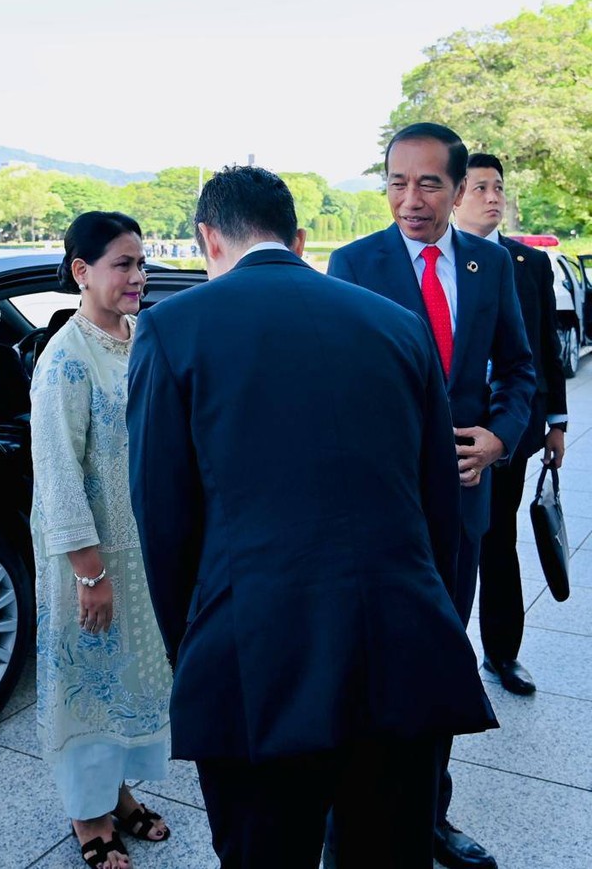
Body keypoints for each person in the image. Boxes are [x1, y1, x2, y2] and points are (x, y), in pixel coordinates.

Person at [127, 165, 498, 869]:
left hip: (256, 655)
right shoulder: (396, 325)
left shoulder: (173, 328)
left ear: (208, 237)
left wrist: (196, 649)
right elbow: (438, 508)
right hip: (403, 647)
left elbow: (164, 521)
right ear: (297, 237)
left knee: (267, 852)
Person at [328, 124, 536, 869]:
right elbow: (331, 389)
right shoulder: (352, 264)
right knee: (362, 665)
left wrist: (500, 438)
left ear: (457, 188)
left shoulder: (490, 265)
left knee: (441, 663)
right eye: (395, 182)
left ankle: (429, 814)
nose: (408, 200)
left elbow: (520, 369)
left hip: (460, 510)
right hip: (372, 513)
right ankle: (345, 818)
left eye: (426, 184)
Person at [30, 212, 171, 869]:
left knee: (128, 680)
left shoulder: (142, 337)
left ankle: (115, 792)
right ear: (83, 272)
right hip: (90, 559)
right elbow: (58, 474)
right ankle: (89, 817)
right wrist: (90, 572)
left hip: (141, 553)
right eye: (123, 263)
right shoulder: (66, 357)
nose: (138, 276)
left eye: (142, 263)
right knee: (87, 685)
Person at [454, 153, 567, 695]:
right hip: (450, 432)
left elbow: (545, 348)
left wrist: (557, 422)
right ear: (456, 196)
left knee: (499, 539)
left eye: (498, 187)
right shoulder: (437, 262)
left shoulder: (528, 264)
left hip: (512, 428)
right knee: (446, 543)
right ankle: (441, 652)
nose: (493, 197)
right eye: (480, 187)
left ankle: (502, 654)